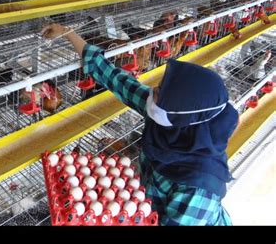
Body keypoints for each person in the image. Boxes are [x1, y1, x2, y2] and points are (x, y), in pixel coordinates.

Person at [41, 23, 239, 226]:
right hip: (145, 202)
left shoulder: (198, 189)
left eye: (160, 92)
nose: (153, 90)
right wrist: (68, 33)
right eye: (161, 86)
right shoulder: (173, 119)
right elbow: (116, 80)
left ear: (181, 118)